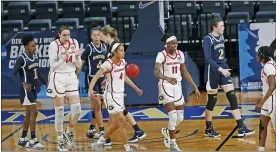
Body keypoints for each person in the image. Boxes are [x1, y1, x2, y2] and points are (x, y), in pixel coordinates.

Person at [202, 18, 255, 137]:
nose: (223, 28)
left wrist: (225, 68)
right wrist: (221, 69)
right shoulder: (208, 39)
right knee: (212, 100)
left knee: (232, 97)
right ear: (214, 27)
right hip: (213, 71)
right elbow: (208, 59)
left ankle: (241, 127)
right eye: (221, 26)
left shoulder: (221, 37)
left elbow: (221, 56)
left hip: (223, 69)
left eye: (223, 26)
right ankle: (208, 128)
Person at [90, 42, 143, 151]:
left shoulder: (123, 62)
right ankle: (127, 148)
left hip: (119, 96)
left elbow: (124, 77)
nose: (123, 52)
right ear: (114, 52)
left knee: (114, 124)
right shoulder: (108, 64)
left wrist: (135, 88)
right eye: (121, 50)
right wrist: (91, 88)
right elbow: (96, 77)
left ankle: (99, 142)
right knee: (122, 120)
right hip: (111, 96)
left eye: (123, 50)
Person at [154, 33, 200, 151]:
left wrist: (195, 87)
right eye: (173, 43)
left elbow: (184, 72)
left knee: (180, 118)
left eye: (176, 43)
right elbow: (156, 73)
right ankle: (173, 145)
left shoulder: (180, 54)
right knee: (173, 116)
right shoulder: (161, 55)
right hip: (165, 85)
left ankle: (167, 131)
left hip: (177, 86)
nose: (175, 45)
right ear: (167, 44)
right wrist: (168, 78)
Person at [100, 26, 146, 143]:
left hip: (116, 88)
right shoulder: (112, 46)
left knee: (116, 113)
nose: (100, 38)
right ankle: (137, 130)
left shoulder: (113, 47)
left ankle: (107, 138)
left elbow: (119, 71)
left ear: (107, 35)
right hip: (115, 85)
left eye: (102, 35)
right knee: (120, 111)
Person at [47, 25, 83, 151]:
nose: (67, 37)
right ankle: (60, 142)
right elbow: (53, 67)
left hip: (71, 76)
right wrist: (62, 59)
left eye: (68, 35)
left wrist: (78, 57)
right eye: (64, 35)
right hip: (58, 77)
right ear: (59, 34)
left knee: (77, 110)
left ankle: (68, 131)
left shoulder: (74, 42)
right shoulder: (54, 45)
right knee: (60, 110)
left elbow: (78, 66)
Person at [12, 34, 46, 149]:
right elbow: (14, 73)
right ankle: (33, 139)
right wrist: (23, 84)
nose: (35, 47)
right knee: (34, 113)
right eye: (32, 46)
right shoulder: (21, 58)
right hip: (26, 90)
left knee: (28, 114)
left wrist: (46, 83)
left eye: (35, 45)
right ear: (26, 47)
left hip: (34, 89)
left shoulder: (35, 56)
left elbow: (39, 72)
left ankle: (22, 139)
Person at [81, 27, 108, 140]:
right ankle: (102, 131)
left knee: (99, 105)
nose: (96, 37)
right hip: (92, 78)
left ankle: (92, 129)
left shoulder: (104, 47)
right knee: (97, 104)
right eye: (94, 35)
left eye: (98, 35)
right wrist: (76, 75)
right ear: (91, 37)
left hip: (102, 78)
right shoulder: (89, 48)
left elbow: (107, 63)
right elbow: (81, 62)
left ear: (101, 36)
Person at [255, 46, 276, 151]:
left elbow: (273, 85)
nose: (257, 56)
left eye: (258, 54)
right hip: (268, 100)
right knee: (262, 126)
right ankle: (261, 149)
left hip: (273, 99)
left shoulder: (268, 67)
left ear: (263, 55)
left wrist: (261, 102)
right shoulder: (269, 65)